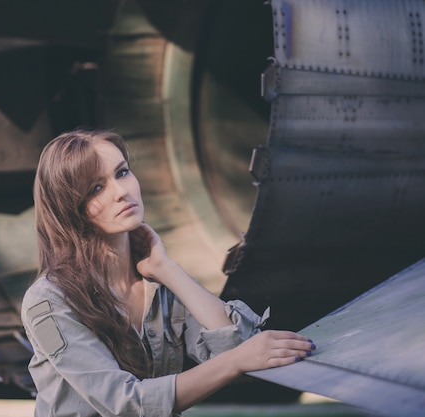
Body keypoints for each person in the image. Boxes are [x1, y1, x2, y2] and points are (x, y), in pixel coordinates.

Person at [21, 129, 315, 416]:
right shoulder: (48, 301)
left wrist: (167, 269)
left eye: (122, 173)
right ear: (71, 210)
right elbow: (127, 405)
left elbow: (239, 347)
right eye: (97, 188)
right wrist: (236, 361)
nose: (122, 192)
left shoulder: (158, 282)